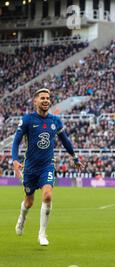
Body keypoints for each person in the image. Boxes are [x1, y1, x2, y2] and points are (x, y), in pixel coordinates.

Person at [11, 88, 84, 246]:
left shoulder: (55, 121)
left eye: (48, 98)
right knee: (29, 202)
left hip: (47, 166)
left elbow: (65, 140)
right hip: (30, 167)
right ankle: (22, 219)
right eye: (42, 98)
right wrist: (15, 160)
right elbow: (16, 141)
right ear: (35, 101)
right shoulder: (28, 120)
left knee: (48, 196)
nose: (45, 100)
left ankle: (42, 234)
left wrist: (75, 157)